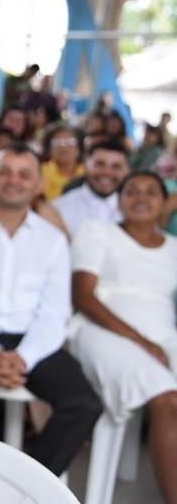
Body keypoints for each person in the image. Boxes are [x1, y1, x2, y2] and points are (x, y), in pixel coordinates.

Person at [0, 142, 102, 476]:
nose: (14, 181)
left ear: (39, 183)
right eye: (5, 172)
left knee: (84, 403)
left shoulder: (51, 239)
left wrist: (22, 356)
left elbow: (55, 312)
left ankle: (22, 483)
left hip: (33, 338)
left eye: (24, 174)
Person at [69, 171, 177, 503]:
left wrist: (156, 344)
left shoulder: (174, 248)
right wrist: (142, 343)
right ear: (119, 200)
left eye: (151, 192)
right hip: (101, 329)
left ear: (164, 205)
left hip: (163, 333)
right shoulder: (97, 232)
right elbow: (84, 297)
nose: (141, 198)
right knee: (167, 397)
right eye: (131, 191)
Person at [53, 139, 130, 237]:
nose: (107, 172)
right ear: (86, 165)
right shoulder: (59, 209)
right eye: (100, 164)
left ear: (126, 171)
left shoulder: (134, 212)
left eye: (116, 167)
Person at [40, 123, 84, 201]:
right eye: (57, 142)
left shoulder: (87, 173)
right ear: (49, 149)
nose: (63, 146)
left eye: (70, 142)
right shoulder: (40, 172)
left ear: (79, 149)